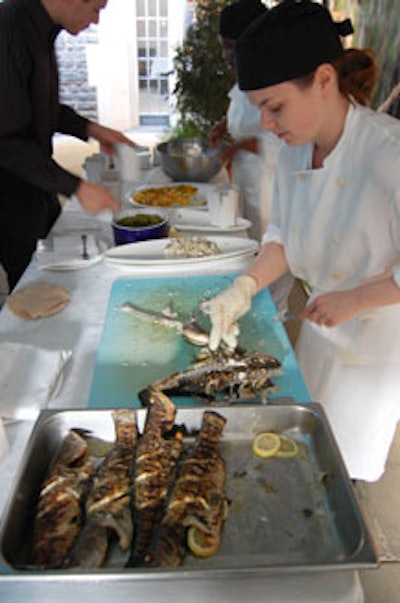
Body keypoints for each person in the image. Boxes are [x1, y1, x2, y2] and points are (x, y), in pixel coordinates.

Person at [202, 0, 400, 483]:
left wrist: (357, 297)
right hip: (319, 329)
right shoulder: (295, 150)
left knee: (345, 463)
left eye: (274, 107)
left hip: (372, 343)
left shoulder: (387, 153)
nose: (267, 125)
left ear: (325, 80)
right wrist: (245, 286)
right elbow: (283, 238)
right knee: (309, 448)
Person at [0, 0, 133, 291]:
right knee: (30, 289)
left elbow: (34, 106)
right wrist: (77, 187)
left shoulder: (43, 30)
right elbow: (6, 139)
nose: (96, 20)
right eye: (96, 8)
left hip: (35, 187)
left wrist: (92, 129)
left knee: (57, 274)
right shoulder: (10, 29)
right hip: (10, 196)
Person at [210, 0, 293, 312]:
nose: (226, 56)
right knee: (253, 255)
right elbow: (243, 114)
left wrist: (236, 148)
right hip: (249, 179)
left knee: (271, 253)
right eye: (224, 47)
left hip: (270, 184)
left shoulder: (276, 79)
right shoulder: (247, 74)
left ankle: (275, 317)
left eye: (231, 46)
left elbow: (278, 142)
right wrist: (223, 126)